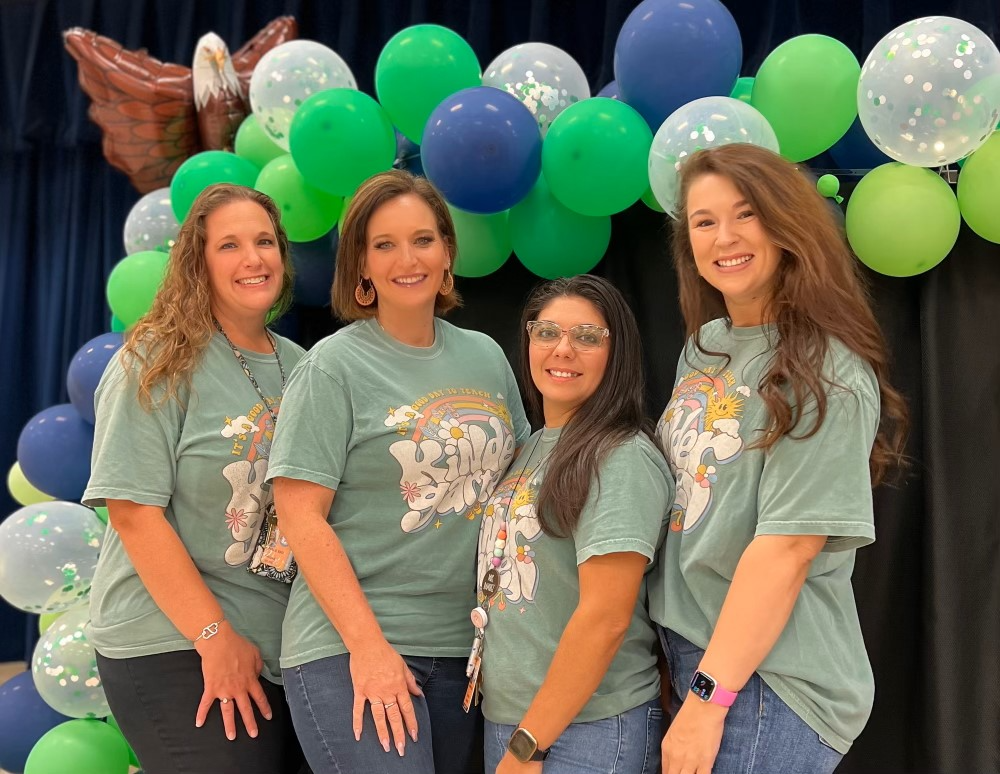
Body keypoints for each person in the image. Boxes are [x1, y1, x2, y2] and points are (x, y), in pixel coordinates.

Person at [650, 143, 909, 774]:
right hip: (697, 658)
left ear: (786, 224)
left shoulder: (827, 371)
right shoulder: (707, 347)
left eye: (746, 214)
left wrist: (708, 702)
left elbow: (787, 550)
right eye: (704, 221)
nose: (725, 238)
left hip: (768, 682)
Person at [266, 169, 531, 774]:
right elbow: (300, 517)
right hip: (351, 645)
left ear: (447, 252)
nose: (406, 259)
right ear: (359, 264)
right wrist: (369, 649)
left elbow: (515, 490)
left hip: (466, 651)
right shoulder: (332, 368)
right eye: (383, 244)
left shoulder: (485, 356)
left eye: (422, 239)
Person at [83, 184, 307, 773]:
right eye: (228, 245)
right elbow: (132, 512)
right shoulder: (156, 359)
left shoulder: (306, 366)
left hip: (283, 647)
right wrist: (215, 638)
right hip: (177, 641)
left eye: (264, 241)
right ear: (197, 263)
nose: (253, 259)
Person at [476, 274, 672, 774]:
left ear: (617, 354)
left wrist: (530, 745)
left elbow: (605, 619)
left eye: (587, 337)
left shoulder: (622, 456)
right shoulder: (529, 446)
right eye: (546, 332)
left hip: (588, 729)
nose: (563, 349)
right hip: (513, 720)